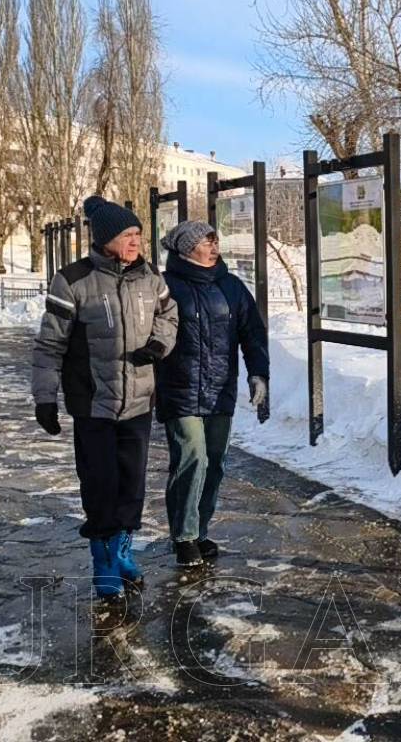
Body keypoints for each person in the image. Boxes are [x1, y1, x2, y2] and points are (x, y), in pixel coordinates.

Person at [32, 196, 179, 601]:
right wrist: (45, 397)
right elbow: (50, 345)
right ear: (106, 238)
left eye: (138, 235)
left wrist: (159, 344)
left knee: (132, 484)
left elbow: (169, 316)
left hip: (139, 401)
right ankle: (103, 559)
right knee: (100, 483)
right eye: (127, 234)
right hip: (93, 403)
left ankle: (122, 551)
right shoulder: (73, 280)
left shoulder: (150, 276)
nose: (135, 242)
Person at [155, 221, 269, 567]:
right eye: (207, 242)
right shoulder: (165, 285)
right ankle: (184, 536)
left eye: (215, 241)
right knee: (192, 459)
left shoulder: (231, 286)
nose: (214, 248)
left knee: (215, 463)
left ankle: (200, 530)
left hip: (220, 389)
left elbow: (252, 333)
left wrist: (258, 373)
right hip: (180, 388)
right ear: (186, 248)